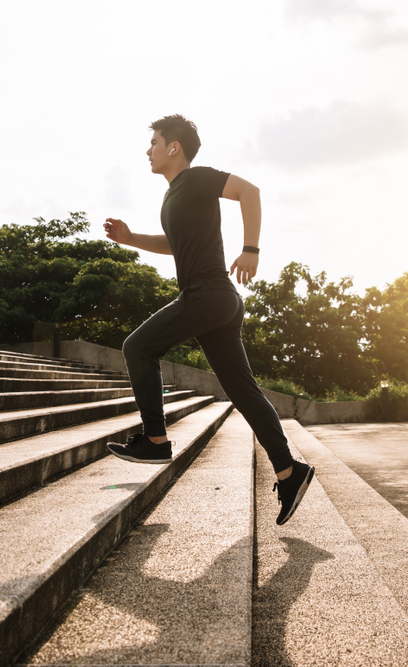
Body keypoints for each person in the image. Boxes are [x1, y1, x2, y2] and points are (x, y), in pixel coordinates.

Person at [103, 114, 313, 525]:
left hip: (207, 295)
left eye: (154, 143)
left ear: (173, 147)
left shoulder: (196, 178)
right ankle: (290, 472)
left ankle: (155, 439)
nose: (148, 151)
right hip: (218, 301)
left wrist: (251, 248)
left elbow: (248, 191)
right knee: (244, 391)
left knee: (137, 347)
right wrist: (132, 240)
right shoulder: (175, 196)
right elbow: (174, 244)